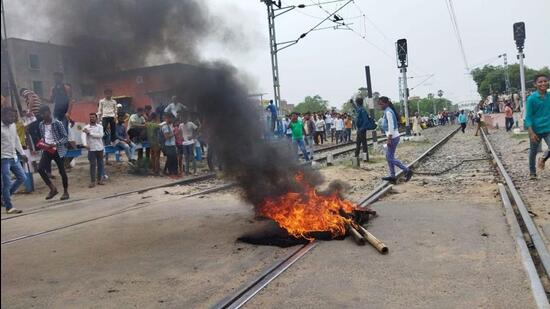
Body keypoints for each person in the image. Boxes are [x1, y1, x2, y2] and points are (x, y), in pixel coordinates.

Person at [37, 105, 70, 200]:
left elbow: (65, 137)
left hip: (58, 150)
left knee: (62, 171)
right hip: (47, 150)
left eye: (44, 113)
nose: (43, 116)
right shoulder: (41, 124)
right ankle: (52, 189)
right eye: (41, 114)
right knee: (40, 169)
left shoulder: (57, 123)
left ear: (49, 112)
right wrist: (42, 143)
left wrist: (56, 143)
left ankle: (66, 192)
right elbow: (44, 136)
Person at [379, 96, 413, 184]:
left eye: (381, 104)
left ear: (386, 103)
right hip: (393, 136)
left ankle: (406, 170)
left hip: (393, 137)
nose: (380, 106)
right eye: (379, 104)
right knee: (389, 157)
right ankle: (393, 176)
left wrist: (389, 139)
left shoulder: (388, 112)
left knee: (389, 158)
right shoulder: (387, 111)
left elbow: (391, 126)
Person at [1, 107, 27, 214]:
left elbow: (16, 140)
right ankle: (9, 207)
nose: (12, 118)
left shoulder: (13, 126)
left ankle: (4, 196)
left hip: (14, 157)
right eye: (10, 116)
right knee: (7, 183)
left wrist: (22, 153)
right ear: (3, 115)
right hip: (3, 159)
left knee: (22, 177)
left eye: (13, 116)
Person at [524, 74, 550, 180]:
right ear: (535, 84)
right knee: (533, 152)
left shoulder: (549, 96)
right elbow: (528, 117)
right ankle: (532, 172)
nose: (543, 83)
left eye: (545, 81)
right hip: (535, 130)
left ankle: (543, 159)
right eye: (540, 82)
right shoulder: (531, 99)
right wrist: (531, 132)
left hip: (548, 128)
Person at [81, 113, 105, 188]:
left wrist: (90, 133)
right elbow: (83, 136)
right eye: (90, 117)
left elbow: (100, 135)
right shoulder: (86, 127)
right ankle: (92, 181)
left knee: (100, 164)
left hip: (100, 147)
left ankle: (99, 180)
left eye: (93, 117)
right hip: (91, 148)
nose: (92, 118)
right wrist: (85, 144)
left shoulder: (100, 127)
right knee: (92, 165)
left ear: (96, 118)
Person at [161, 113, 178, 177]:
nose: (171, 119)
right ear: (167, 118)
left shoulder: (171, 125)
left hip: (172, 145)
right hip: (168, 145)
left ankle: (173, 171)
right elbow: (166, 137)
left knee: (173, 159)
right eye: (170, 118)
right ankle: (171, 172)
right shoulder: (165, 127)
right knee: (171, 159)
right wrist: (174, 133)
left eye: (171, 118)